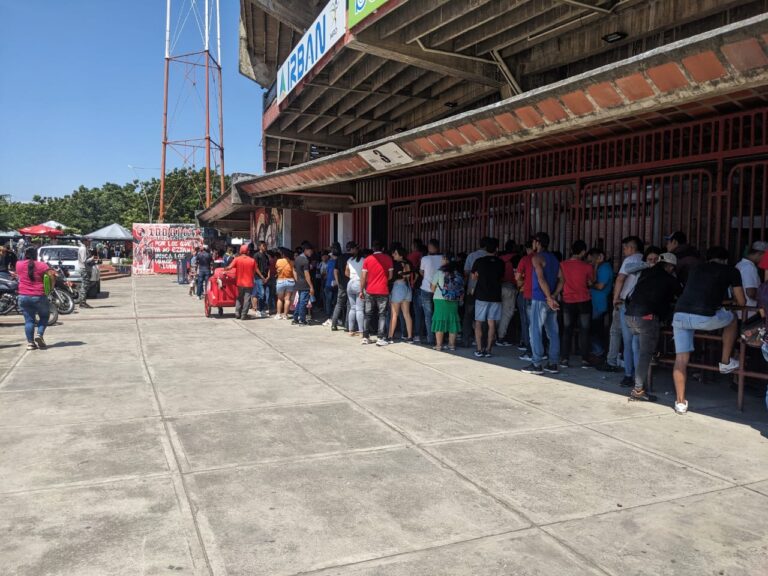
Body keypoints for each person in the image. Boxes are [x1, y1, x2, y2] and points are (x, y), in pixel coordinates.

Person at [672, 246, 746, 415]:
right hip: (704, 316)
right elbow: (741, 300)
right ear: (725, 259)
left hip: (680, 314)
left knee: (681, 359)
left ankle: (680, 402)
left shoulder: (696, 268)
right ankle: (725, 362)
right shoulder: (731, 270)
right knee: (732, 318)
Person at [624, 252, 682, 402]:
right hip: (646, 318)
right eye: (672, 268)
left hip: (630, 316)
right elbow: (680, 296)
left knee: (640, 349)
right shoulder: (670, 279)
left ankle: (651, 360)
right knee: (645, 354)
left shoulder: (646, 272)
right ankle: (638, 390)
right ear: (669, 266)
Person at [601, 236, 644, 385]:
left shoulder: (629, 260)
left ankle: (628, 374)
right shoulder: (645, 260)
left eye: (625, 248)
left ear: (632, 248)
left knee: (628, 341)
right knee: (637, 343)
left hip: (626, 303)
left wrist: (615, 298)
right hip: (640, 305)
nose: (624, 251)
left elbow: (620, 278)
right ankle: (638, 377)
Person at [522, 232, 560, 375]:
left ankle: (537, 364)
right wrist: (554, 296)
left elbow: (540, 278)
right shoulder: (555, 259)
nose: (532, 244)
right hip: (551, 300)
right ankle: (553, 363)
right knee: (553, 332)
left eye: (533, 242)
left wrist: (548, 297)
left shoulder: (537, 258)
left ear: (537, 243)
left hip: (540, 298)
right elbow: (562, 280)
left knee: (535, 331)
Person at [555, 240, 594, 368]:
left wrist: (554, 295)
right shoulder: (587, 266)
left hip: (568, 302)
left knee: (567, 330)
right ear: (583, 252)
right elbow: (591, 282)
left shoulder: (562, 265)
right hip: (584, 301)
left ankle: (564, 359)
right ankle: (585, 360)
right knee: (585, 330)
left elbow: (560, 281)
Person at [16, 246, 56, 350]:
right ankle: (39, 334)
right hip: (39, 295)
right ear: (36, 255)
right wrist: (51, 286)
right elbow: (52, 274)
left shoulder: (18, 264)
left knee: (29, 321)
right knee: (44, 316)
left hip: (23, 296)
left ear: (25, 255)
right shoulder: (42, 265)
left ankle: (30, 343)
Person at [470, 237, 504, 358]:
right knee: (492, 323)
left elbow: (473, 277)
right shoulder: (500, 262)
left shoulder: (479, 261)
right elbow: (501, 277)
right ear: (497, 249)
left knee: (478, 322)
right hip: (495, 296)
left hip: (481, 295)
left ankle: (479, 349)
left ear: (485, 248)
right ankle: (489, 350)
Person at [360, 240, 393, 345]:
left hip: (369, 290)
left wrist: (361, 290)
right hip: (383, 290)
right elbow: (391, 276)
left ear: (373, 248)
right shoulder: (388, 258)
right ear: (383, 248)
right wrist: (383, 280)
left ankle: (365, 337)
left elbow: (363, 277)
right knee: (382, 314)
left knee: (368, 314)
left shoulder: (367, 259)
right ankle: (380, 338)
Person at [431, 254, 464, 351]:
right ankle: (451, 345)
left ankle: (438, 345)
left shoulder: (439, 273)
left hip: (440, 300)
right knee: (452, 321)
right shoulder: (457, 273)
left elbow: (432, 289)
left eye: (442, 259)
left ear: (445, 260)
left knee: (439, 321)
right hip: (454, 299)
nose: (441, 261)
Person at [587, 247, 613, 362]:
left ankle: (599, 351)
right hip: (596, 303)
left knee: (595, 328)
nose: (590, 262)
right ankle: (597, 350)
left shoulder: (605, 268)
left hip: (600, 304)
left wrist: (589, 285)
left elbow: (600, 286)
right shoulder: (599, 268)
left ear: (599, 257)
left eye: (592, 259)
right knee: (594, 328)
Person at [463, 237, 490, 348]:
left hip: (472, 289)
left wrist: (465, 286)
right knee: (483, 317)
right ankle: (482, 340)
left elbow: (466, 272)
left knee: (468, 315)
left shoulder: (471, 256)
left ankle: (466, 339)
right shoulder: (491, 257)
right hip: (486, 291)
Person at [419, 239, 443, 346]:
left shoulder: (425, 258)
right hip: (440, 290)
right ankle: (441, 337)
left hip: (426, 288)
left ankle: (430, 338)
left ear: (430, 247)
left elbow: (421, 272)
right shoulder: (443, 258)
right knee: (439, 314)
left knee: (428, 315)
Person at [735, 241, 768, 320]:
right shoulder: (749, 267)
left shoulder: (740, 265)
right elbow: (751, 292)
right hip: (750, 312)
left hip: (742, 312)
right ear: (760, 253)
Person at [388, 246, 413, 343]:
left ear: (401, 255)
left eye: (395, 253)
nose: (393, 255)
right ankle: (410, 337)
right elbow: (409, 275)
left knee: (394, 314)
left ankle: (390, 336)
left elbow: (392, 277)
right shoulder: (408, 263)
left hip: (398, 287)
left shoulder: (396, 264)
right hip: (407, 288)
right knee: (407, 314)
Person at [223, 244, 256, 320]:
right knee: (247, 299)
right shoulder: (252, 260)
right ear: (247, 251)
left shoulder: (237, 259)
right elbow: (254, 272)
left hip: (239, 282)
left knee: (239, 298)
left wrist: (224, 269)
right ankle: (244, 314)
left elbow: (229, 267)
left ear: (241, 251)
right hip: (249, 283)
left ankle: (237, 313)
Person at [515, 240, 535, 358]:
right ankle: (541, 349)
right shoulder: (547, 258)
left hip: (527, 293)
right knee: (540, 323)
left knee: (526, 322)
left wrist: (522, 283)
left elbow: (517, 278)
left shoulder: (525, 259)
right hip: (544, 295)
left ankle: (529, 349)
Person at [497, 239, 518, 347]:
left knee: (497, 312)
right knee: (507, 313)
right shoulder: (516, 258)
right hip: (510, 287)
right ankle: (501, 337)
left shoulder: (500, 258)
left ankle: (494, 334)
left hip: (499, 287)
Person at [330, 242, 353, 331]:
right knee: (349, 305)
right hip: (350, 283)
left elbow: (335, 271)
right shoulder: (352, 258)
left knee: (339, 304)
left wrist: (338, 281)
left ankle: (333, 324)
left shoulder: (339, 258)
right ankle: (347, 326)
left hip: (342, 285)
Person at [292, 242, 314, 325]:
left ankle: (295, 319)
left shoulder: (297, 258)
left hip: (299, 283)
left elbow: (293, 269)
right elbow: (307, 274)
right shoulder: (305, 260)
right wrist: (311, 286)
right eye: (310, 251)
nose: (311, 252)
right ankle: (302, 320)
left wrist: (296, 279)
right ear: (306, 250)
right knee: (303, 302)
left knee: (299, 301)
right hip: (305, 284)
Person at [345, 243, 365, 335]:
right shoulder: (363, 260)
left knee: (352, 308)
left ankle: (351, 330)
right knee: (359, 309)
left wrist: (352, 277)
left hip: (350, 283)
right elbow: (364, 274)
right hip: (359, 283)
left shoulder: (349, 260)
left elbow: (346, 273)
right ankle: (361, 331)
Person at [408, 239, 425, 342]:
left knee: (417, 312)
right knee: (427, 312)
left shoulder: (412, 256)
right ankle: (428, 334)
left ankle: (418, 334)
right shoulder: (424, 257)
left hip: (416, 286)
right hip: (428, 287)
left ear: (414, 246)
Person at [274, 248, 295, 320]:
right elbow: (293, 272)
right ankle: (285, 315)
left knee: (280, 299)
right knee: (287, 299)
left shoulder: (278, 261)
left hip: (281, 280)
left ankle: (278, 314)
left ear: (283, 254)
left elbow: (277, 269)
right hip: (290, 281)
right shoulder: (292, 262)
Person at [251, 241, 271, 317]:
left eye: (265, 245)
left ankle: (262, 310)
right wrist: (262, 277)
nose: (265, 247)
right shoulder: (256, 255)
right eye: (263, 246)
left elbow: (268, 267)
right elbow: (255, 267)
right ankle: (258, 310)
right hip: (258, 277)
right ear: (259, 247)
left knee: (265, 294)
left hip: (266, 278)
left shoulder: (266, 256)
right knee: (261, 294)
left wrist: (268, 276)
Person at [77, 240, 97, 308]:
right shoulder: (83, 248)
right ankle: (82, 302)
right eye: (88, 241)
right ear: (85, 241)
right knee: (85, 286)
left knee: (85, 285)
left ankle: (82, 301)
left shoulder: (84, 248)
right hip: (84, 269)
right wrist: (92, 258)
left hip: (86, 269)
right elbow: (84, 260)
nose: (90, 242)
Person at [322, 249, 338, 325]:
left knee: (328, 302)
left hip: (329, 284)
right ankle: (335, 317)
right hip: (337, 284)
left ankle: (329, 318)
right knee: (335, 302)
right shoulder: (338, 262)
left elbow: (327, 273)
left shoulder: (330, 262)